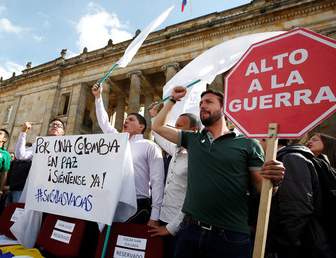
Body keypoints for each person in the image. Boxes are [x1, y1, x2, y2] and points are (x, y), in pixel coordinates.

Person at [152, 86, 285, 257]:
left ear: (225, 108)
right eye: (200, 103)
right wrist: (172, 100)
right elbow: (158, 127)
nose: (202, 106)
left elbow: (263, 188)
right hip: (190, 231)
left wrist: (275, 180)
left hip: (230, 236)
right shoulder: (193, 139)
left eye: (209, 102)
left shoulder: (248, 143)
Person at [92, 83, 164, 227]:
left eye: (131, 120)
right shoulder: (118, 141)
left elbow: (157, 182)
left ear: (141, 127)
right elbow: (104, 122)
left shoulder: (150, 146)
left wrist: (155, 216)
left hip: (138, 203)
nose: (126, 121)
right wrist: (98, 97)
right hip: (113, 200)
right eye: (126, 119)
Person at [259, 139, 335, 257]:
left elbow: (296, 209)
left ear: (265, 137)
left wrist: (282, 247)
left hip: (303, 246)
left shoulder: (290, 158)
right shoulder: (287, 157)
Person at [148, 102, 201, 257]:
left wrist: (171, 228)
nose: (174, 129)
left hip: (181, 226)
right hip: (164, 219)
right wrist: (154, 115)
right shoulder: (175, 149)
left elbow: (194, 198)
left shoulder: (198, 157)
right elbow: (159, 134)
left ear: (194, 130)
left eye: (179, 126)